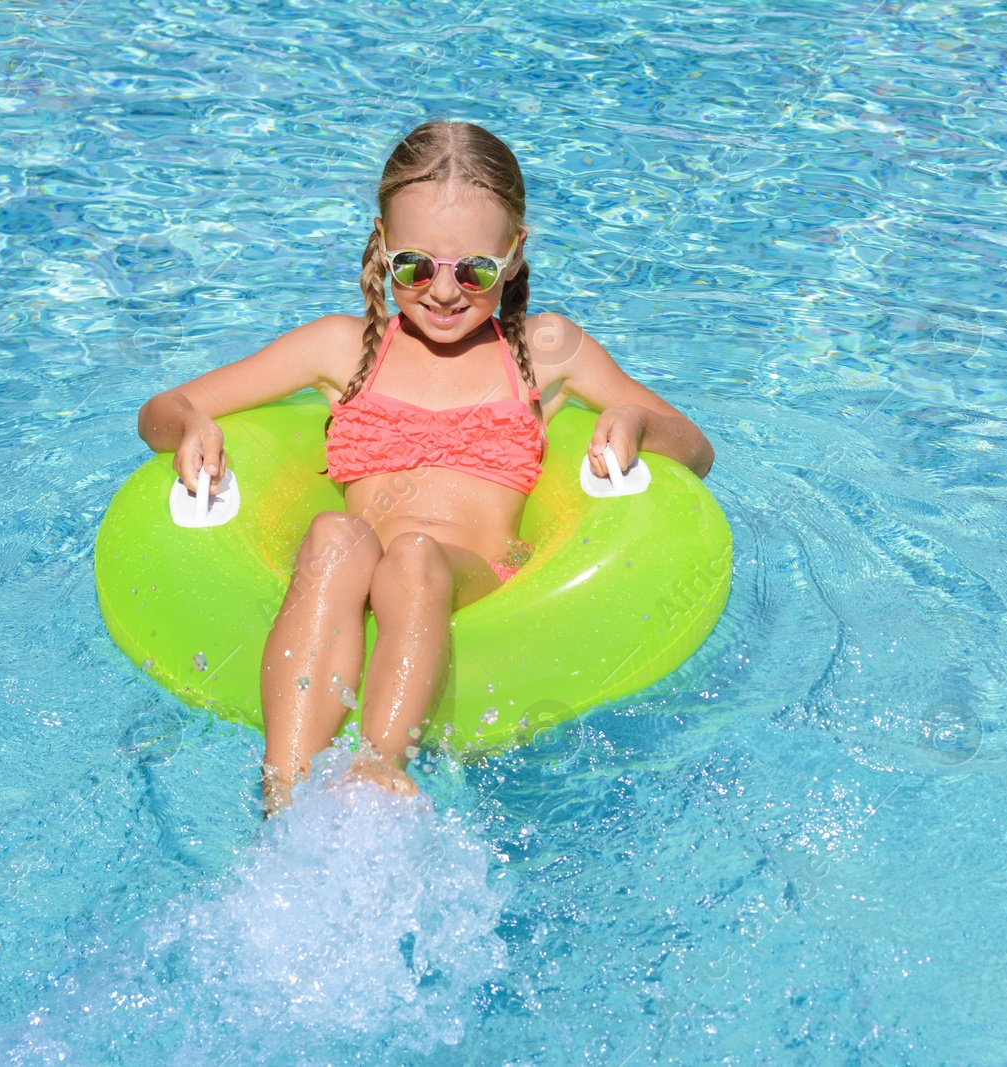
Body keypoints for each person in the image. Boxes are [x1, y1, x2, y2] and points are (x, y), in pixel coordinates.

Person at [137, 121, 714, 813]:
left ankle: (379, 767)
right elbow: (162, 408)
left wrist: (638, 421)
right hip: (357, 566)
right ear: (382, 244)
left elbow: (697, 447)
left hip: (469, 576)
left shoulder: (546, 350)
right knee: (331, 535)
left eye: (474, 271)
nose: (443, 293)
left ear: (515, 254)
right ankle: (282, 787)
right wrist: (191, 426)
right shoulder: (341, 347)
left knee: (413, 554)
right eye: (414, 266)